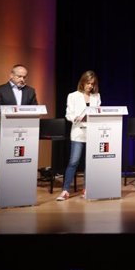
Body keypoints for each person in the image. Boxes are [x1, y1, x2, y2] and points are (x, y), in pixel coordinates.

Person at [0, 64, 39, 205]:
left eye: (24, 77)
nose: (22, 79)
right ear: (11, 75)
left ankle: (22, 197)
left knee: (22, 166)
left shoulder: (30, 91)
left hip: (24, 135)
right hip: (2, 134)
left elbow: (36, 109)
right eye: (19, 76)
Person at [57, 70, 101, 201]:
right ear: (82, 82)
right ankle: (65, 190)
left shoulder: (96, 96)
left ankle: (86, 189)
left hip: (92, 132)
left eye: (92, 84)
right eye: (88, 83)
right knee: (74, 161)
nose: (90, 86)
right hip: (78, 132)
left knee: (90, 162)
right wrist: (76, 118)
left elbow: (98, 112)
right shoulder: (73, 96)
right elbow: (68, 114)